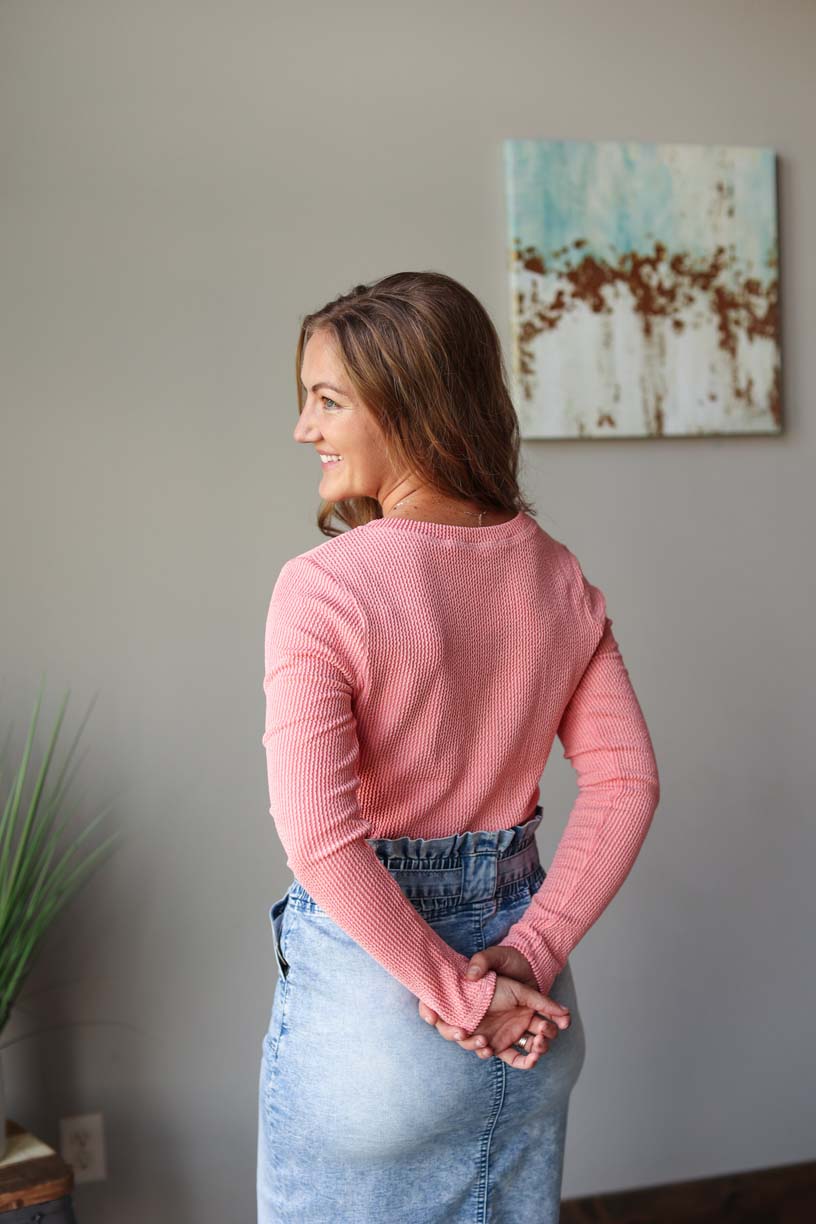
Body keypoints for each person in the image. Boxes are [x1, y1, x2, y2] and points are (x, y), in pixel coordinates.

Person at [256, 270, 660, 1223]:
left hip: (385, 1013)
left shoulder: (324, 587)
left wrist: (454, 992)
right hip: (530, 1018)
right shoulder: (557, 575)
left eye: (326, 400)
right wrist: (530, 952)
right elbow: (627, 781)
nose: (303, 429)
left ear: (409, 404)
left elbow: (319, 836)